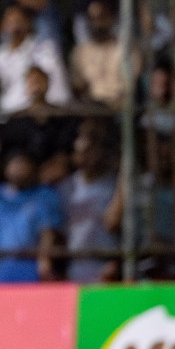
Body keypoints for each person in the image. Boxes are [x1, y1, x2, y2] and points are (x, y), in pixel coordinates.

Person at [0, 149, 61, 283]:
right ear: (5, 168)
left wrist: (44, 262)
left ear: (32, 168)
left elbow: (47, 233)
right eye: (15, 164)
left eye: (23, 164)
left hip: (32, 266)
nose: (19, 169)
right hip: (2, 267)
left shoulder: (44, 195)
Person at [59, 121, 119, 282]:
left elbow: (117, 224)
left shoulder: (112, 185)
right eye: (80, 152)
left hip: (105, 263)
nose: (85, 157)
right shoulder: (66, 187)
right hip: (75, 263)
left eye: (89, 151)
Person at [0, 5, 71, 112]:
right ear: (2, 26)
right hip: (10, 111)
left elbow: (55, 85)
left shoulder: (44, 49)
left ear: (28, 23)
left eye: (18, 21)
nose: (15, 26)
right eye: (10, 22)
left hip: (43, 110)